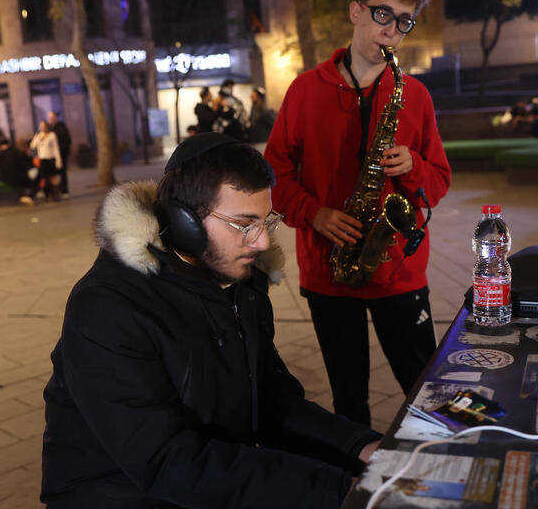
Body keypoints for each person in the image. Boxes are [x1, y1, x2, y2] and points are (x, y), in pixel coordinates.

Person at [40, 133, 382, 508]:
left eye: (266, 221)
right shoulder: (107, 308)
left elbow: (272, 400)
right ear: (184, 221)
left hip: (211, 472)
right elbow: (167, 462)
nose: (263, 243)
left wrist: (365, 447)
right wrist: (337, 489)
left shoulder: (240, 282)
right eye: (243, 224)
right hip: (122, 491)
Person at [264, 0, 450, 426]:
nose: (391, 30)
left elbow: (440, 182)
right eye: (382, 13)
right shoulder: (304, 91)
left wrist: (413, 168)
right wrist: (314, 213)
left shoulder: (416, 96)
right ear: (356, 11)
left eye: (404, 21)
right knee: (349, 400)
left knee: (423, 389)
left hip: (399, 272)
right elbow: (274, 174)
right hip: (330, 267)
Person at [0, 138, 35, 205]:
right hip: (18, 177)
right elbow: (26, 163)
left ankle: (24, 196)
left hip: (5, 178)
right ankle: (27, 196)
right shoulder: (16, 152)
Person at [30, 120, 63, 202]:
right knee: (44, 177)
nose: (42, 127)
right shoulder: (38, 135)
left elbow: (56, 148)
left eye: (44, 126)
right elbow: (32, 146)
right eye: (41, 126)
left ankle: (55, 194)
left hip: (50, 158)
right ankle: (47, 194)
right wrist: (38, 139)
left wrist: (58, 160)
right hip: (42, 159)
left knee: (53, 177)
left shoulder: (52, 135)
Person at [47, 111, 71, 196]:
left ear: (56, 118)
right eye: (49, 118)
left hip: (61, 154)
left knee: (62, 172)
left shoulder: (61, 128)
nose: (50, 119)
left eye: (52, 117)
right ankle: (54, 191)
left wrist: (60, 151)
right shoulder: (48, 129)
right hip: (51, 156)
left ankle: (64, 190)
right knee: (53, 174)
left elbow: (66, 141)